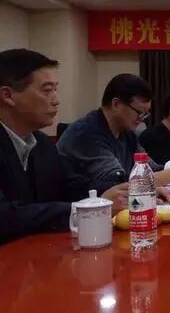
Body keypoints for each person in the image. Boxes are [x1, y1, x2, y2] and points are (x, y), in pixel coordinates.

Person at [0, 49, 128, 244]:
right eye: (46, 90)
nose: (56, 100)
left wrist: (125, 191)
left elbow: (71, 185)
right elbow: (6, 217)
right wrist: (87, 210)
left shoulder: (42, 144)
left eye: (55, 89)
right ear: (8, 95)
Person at [57, 74, 170, 195]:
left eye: (145, 114)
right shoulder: (87, 133)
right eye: (139, 113)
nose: (141, 119)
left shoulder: (127, 133)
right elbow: (115, 184)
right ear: (116, 104)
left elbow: (150, 168)